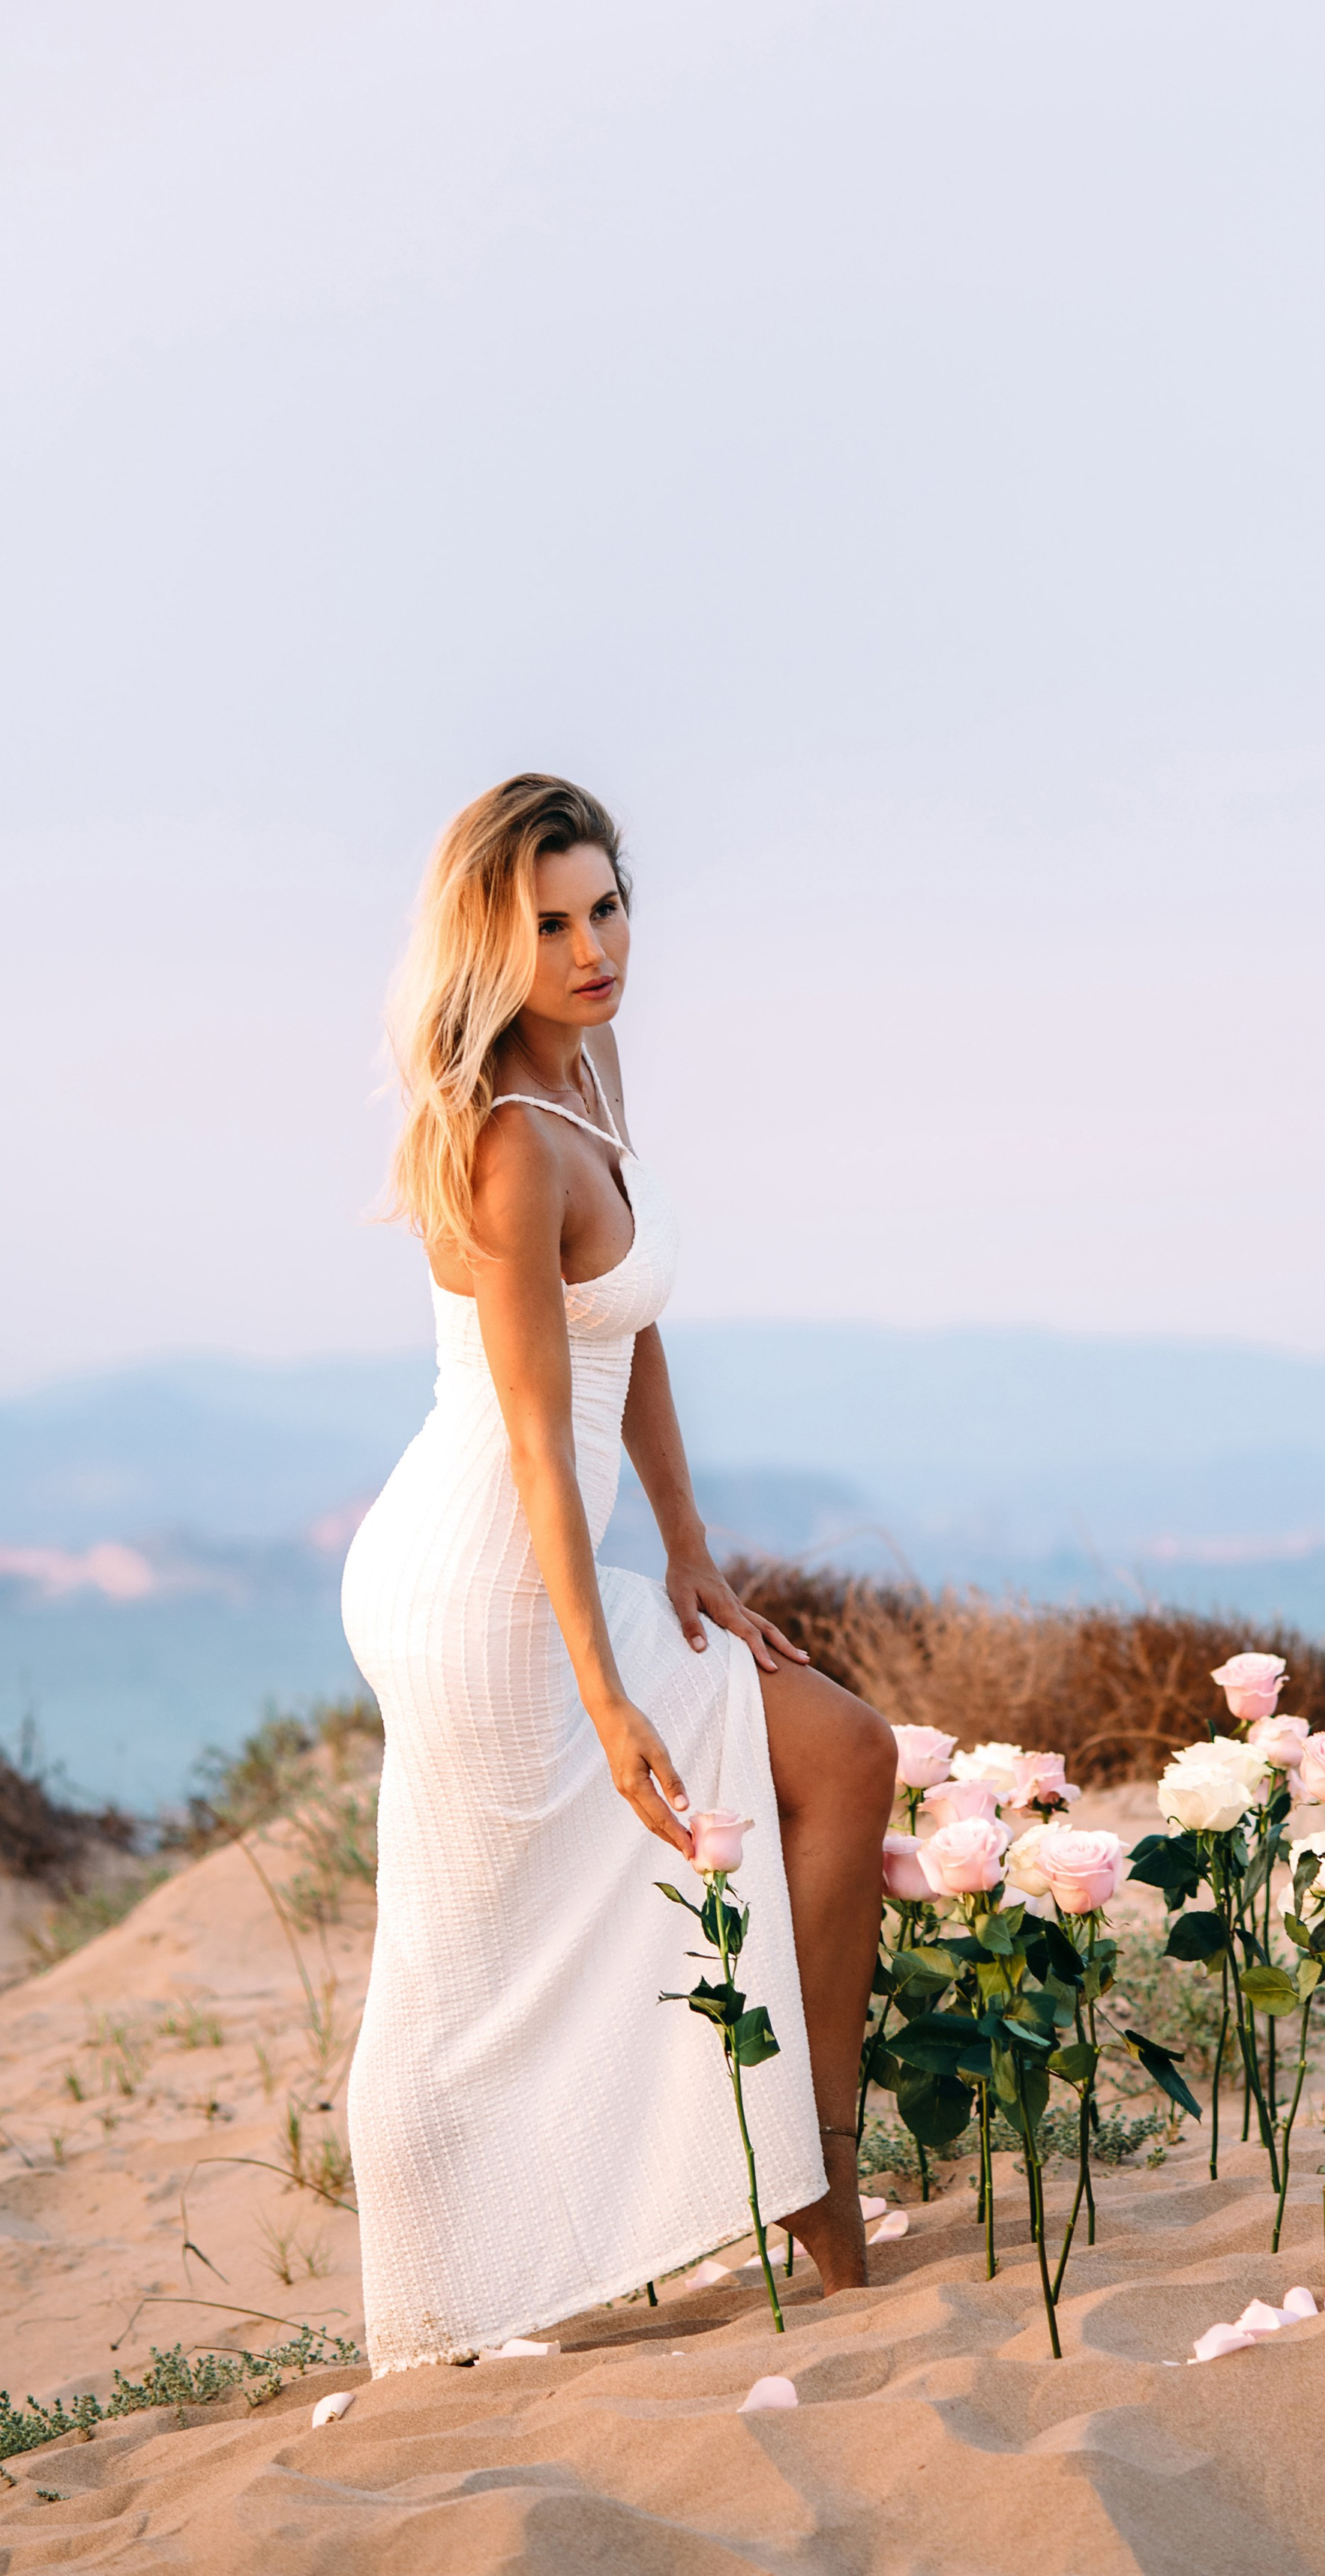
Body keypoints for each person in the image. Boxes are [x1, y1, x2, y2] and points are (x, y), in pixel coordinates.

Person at [343, 772, 896, 2374]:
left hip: (561, 1563)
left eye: (607, 907)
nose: (594, 949)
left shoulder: (590, 1073)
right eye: (552, 924)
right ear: (487, 945)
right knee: (465, 1961)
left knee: (842, 1756)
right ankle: (435, 2318)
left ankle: (812, 2182)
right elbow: (529, 1438)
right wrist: (603, 1686)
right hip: (480, 1583)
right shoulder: (511, 1146)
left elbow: (630, 1327)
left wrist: (693, 1548)